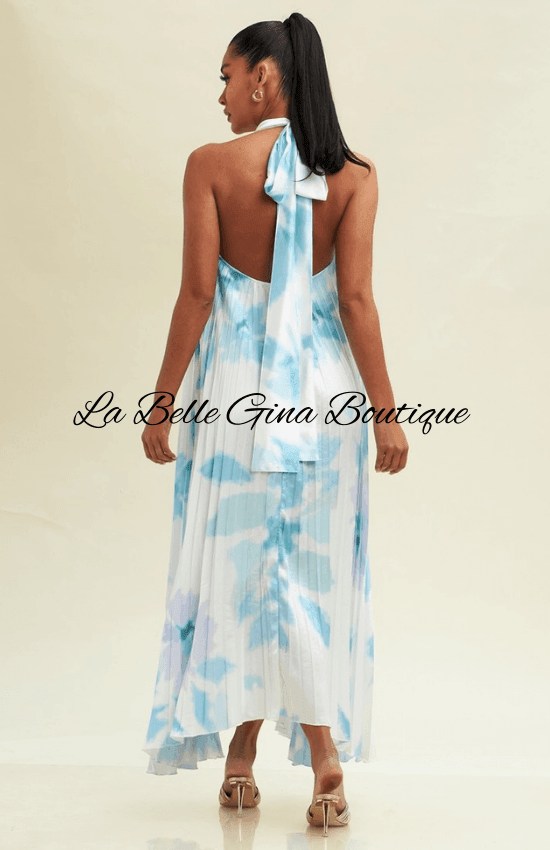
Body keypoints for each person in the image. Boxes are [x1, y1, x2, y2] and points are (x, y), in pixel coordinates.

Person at [140, 12, 408, 836]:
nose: (221, 94)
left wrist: (162, 403)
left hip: (236, 402)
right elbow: (355, 301)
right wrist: (387, 416)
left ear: (264, 78)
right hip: (326, 405)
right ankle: (321, 762)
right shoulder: (355, 175)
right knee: (309, 578)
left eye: (227, 76)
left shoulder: (210, 167)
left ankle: (242, 757)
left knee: (244, 572)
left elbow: (198, 295)